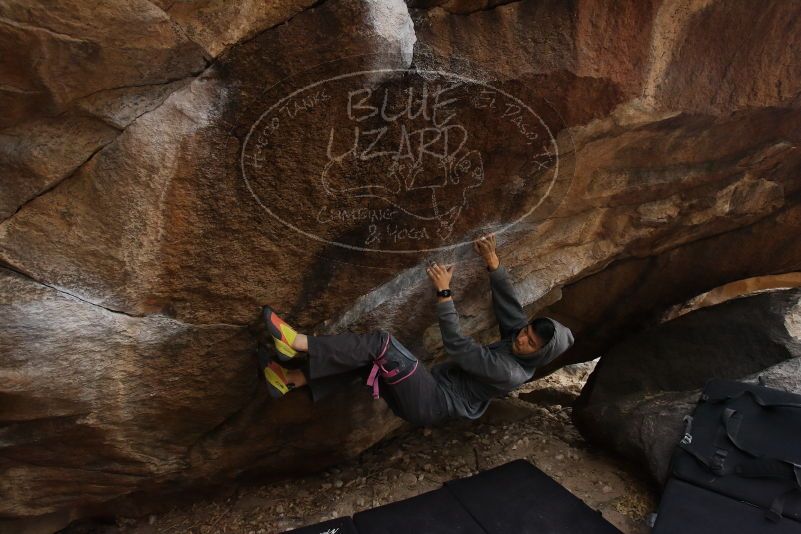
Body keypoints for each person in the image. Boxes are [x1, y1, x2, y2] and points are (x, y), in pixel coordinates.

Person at [258, 233, 574, 427]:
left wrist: (444, 292)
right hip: (428, 389)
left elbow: (457, 345)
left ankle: (297, 343)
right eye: (526, 332)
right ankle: (291, 379)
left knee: (382, 345)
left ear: (540, 354)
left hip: (432, 402)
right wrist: (493, 262)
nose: (520, 337)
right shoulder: (519, 343)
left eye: (529, 342)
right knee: (369, 360)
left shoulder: (509, 371)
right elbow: (510, 309)